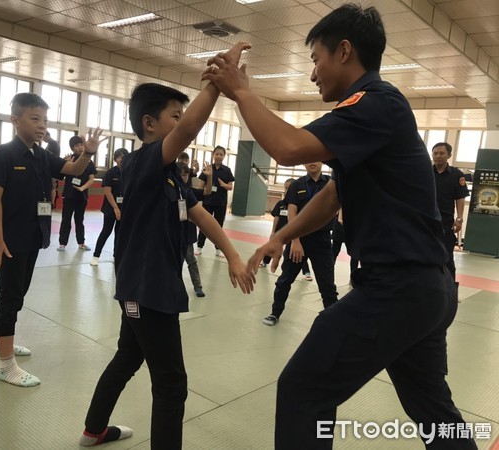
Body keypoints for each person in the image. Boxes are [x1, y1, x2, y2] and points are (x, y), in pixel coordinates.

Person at [203, 4, 475, 449]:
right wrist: (281, 237)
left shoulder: (375, 103)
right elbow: (332, 197)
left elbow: (288, 147)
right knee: (432, 410)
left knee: (303, 390)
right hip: (428, 290)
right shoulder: (375, 114)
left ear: (344, 51)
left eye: (316, 59)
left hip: (397, 289)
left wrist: (242, 92)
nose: (313, 74)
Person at [80, 43, 254, 449]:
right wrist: (218, 80)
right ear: (149, 125)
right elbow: (191, 129)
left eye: (181, 115)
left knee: (128, 355)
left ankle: (94, 430)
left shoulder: (171, 176)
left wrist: (231, 255)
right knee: (172, 384)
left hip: (148, 288)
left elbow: (202, 215)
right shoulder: (142, 165)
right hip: (147, 290)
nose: (182, 124)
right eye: (174, 116)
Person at [0, 93, 104, 388]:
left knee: (19, 292)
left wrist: (88, 153)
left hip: (34, 235)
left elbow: (72, 169)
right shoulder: (4, 154)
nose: (41, 126)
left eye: (45, 120)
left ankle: (1, 343)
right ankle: (7, 366)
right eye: (35, 119)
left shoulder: (40, 155)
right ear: (15, 120)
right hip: (11, 239)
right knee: (10, 295)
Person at [262, 163, 338, 326]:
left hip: (322, 241)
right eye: (308, 158)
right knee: (284, 281)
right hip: (299, 239)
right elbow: (292, 212)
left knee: (327, 286)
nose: (312, 161)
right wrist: (295, 240)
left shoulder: (330, 184)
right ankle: (275, 313)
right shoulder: (297, 185)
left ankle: (334, 322)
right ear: (304, 163)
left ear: (322, 161)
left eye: (316, 158)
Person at [432, 142, 469, 280]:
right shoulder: (427, 173)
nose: (438, 156)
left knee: (447, 258)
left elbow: (460, 198)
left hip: (446, 223)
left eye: (442, 153)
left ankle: (450, 291)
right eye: (435, 153)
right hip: (427, 221)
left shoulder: (456, 174)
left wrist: (459, 218)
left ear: (449, 155)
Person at [57, 135, 97, 251]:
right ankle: (62, 243)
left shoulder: (89, 161)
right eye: (77, 145)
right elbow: (60, 176)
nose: (80, 147)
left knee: (79, 220)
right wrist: (65, 163)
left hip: (82, 195)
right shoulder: (69, 159)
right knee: (66, 219)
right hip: (69, 195)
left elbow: (91, 179)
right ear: (72, 148)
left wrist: (83, 188)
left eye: (81, 145)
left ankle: (81, 243)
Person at [90, 148, 128, 266]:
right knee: (106, 231)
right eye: (119, 157)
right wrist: (116, 208)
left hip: (124, 208)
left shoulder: (130, 172)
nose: (122, 159)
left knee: (120, 233)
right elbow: (108, 192)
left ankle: (116, 256)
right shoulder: (110, 173)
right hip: (110, 208)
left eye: (124, 156)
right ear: (115, 159)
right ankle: (96, 256)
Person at [195, 145, 235, 257]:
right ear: (213, 155)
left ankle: (218, 249)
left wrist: (224, 185)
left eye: (221, 154)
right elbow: (200, 185)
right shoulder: (208, 168)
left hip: (221, 203)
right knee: (204, 225)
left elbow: (230, 186)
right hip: (208, 201)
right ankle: (199, 246)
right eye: (216, 154)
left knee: (218, 226)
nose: (218, 156)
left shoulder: (227, 170)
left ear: (224, 156)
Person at [177, 162, 206, 297]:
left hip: (187, 232)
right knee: (174, 261)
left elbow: (207, 192)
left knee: (191, 259)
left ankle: (198, 286)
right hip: (174, 232)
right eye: (181, 174)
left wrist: (208, 178)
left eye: (186, 174)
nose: (183, 177)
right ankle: (174, 285)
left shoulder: (190, 191)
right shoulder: (170, 190)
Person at [260, 178, 293, 269]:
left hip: (292, 232)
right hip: (279, 231)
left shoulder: (297, 205)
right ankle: (265, 262)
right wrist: (273, 231)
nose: (287, 190)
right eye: (285, 188)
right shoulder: (281, 203)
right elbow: (276, 218)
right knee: (273, 246)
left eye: (289, 188)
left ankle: (305, 271)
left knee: (294, 250)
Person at [331, 209, 359, 273]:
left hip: (353, 226)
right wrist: (340, 217)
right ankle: (329, 275)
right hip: (340, 225)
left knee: (355, 254)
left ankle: (353, 277)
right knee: (334, 251)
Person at [42, 131, 61, 208]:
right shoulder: (50, 144)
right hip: (48, 168)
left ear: (47, 135)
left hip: (53, 168)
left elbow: (52, 157)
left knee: (52, 186)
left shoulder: (54, 144)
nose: (43, 140)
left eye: (43, 138)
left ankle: (52, 202)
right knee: (49, 186)